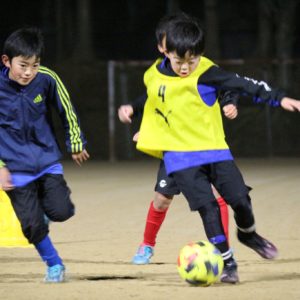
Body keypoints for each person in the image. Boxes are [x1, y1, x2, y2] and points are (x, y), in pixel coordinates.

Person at [133, 15, 300, 284]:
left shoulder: (208, 73)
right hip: (180, 158)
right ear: (167, 53)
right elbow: (156, 107)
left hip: (214, 151)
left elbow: (246, 86)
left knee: (241, 202)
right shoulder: (152, 75)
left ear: (201, 54)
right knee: (208, 209)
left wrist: (280, 99)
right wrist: (147, 131)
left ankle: (248, 234)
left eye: (192, 61)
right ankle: (227, 262)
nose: (186, 68)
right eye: (179, 61)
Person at [118, 13, 238, 268]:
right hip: (176, 150)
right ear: (163, 47)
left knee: (217, 196)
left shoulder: (202, 67)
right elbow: (154, 101)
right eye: (165, 43)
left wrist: (229, 102)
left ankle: (223, 251)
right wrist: (139, 117)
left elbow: (226, 86)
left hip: (205, 148)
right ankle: (147, 245)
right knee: (162, 199)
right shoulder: (160, 72)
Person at [0, 28, 89, 283]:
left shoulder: (47, 78)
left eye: (35, 65)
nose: (29, 72)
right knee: (31, 226)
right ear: (6, 61)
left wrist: (76, 142)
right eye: (23, 65)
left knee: (62, 211)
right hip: (14, 170)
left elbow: (66, 108)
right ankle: (54, 265)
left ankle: (44, 214)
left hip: (46, 162)